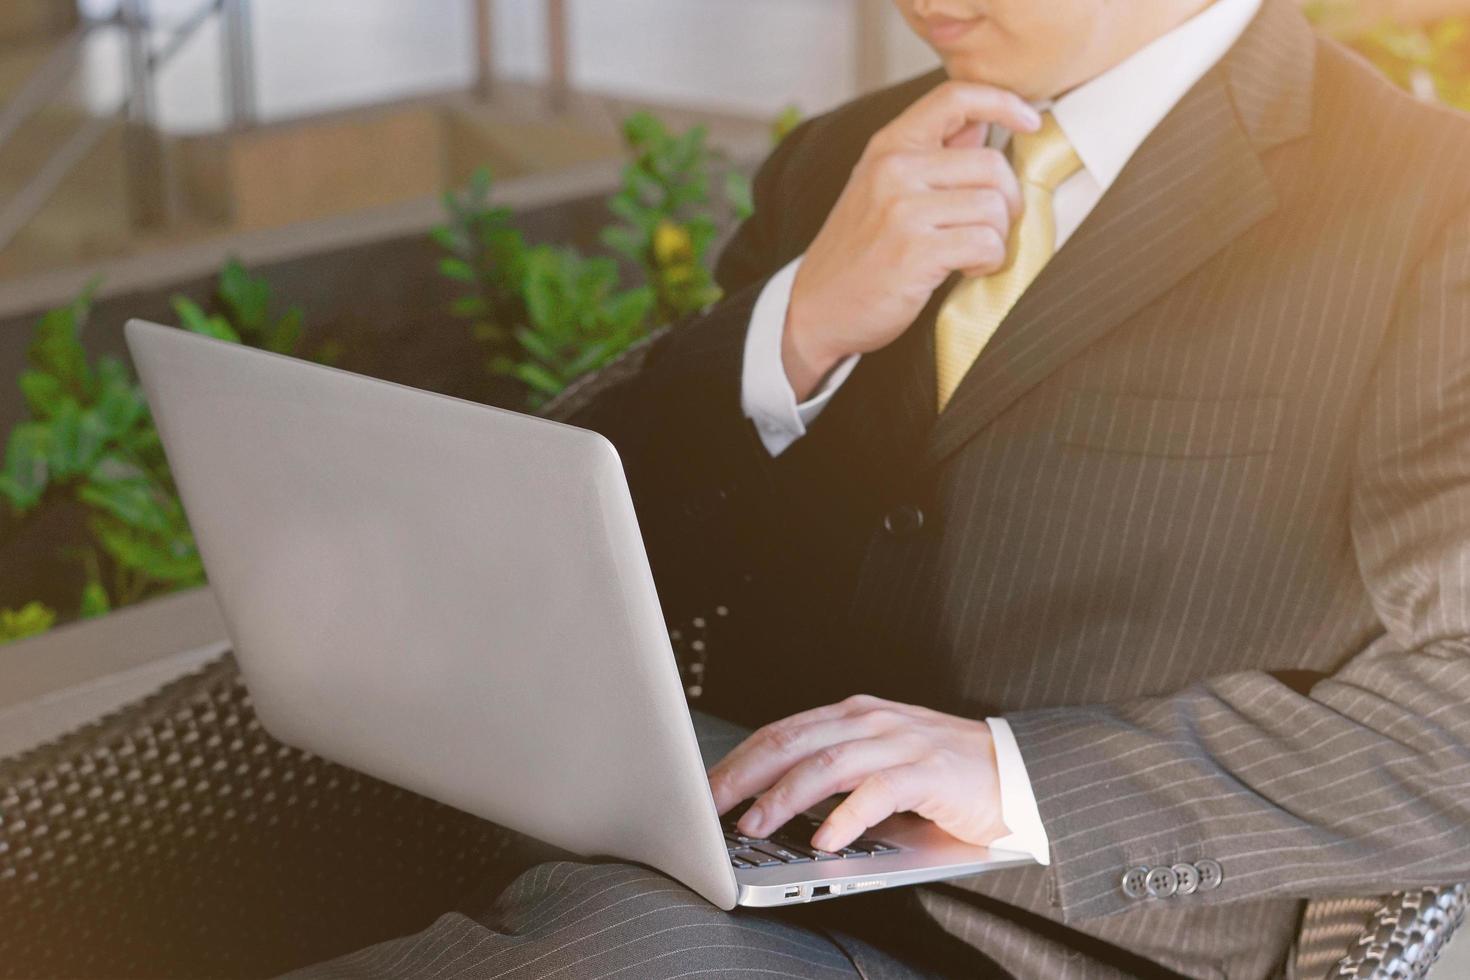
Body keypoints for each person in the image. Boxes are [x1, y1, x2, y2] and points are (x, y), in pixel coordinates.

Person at [292, 0, 1470, 976]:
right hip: (699, 846)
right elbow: (586, 541)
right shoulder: (852, 154)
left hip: (1046, 937)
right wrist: (796, 328)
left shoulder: (1429, 209)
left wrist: (1012, 775)